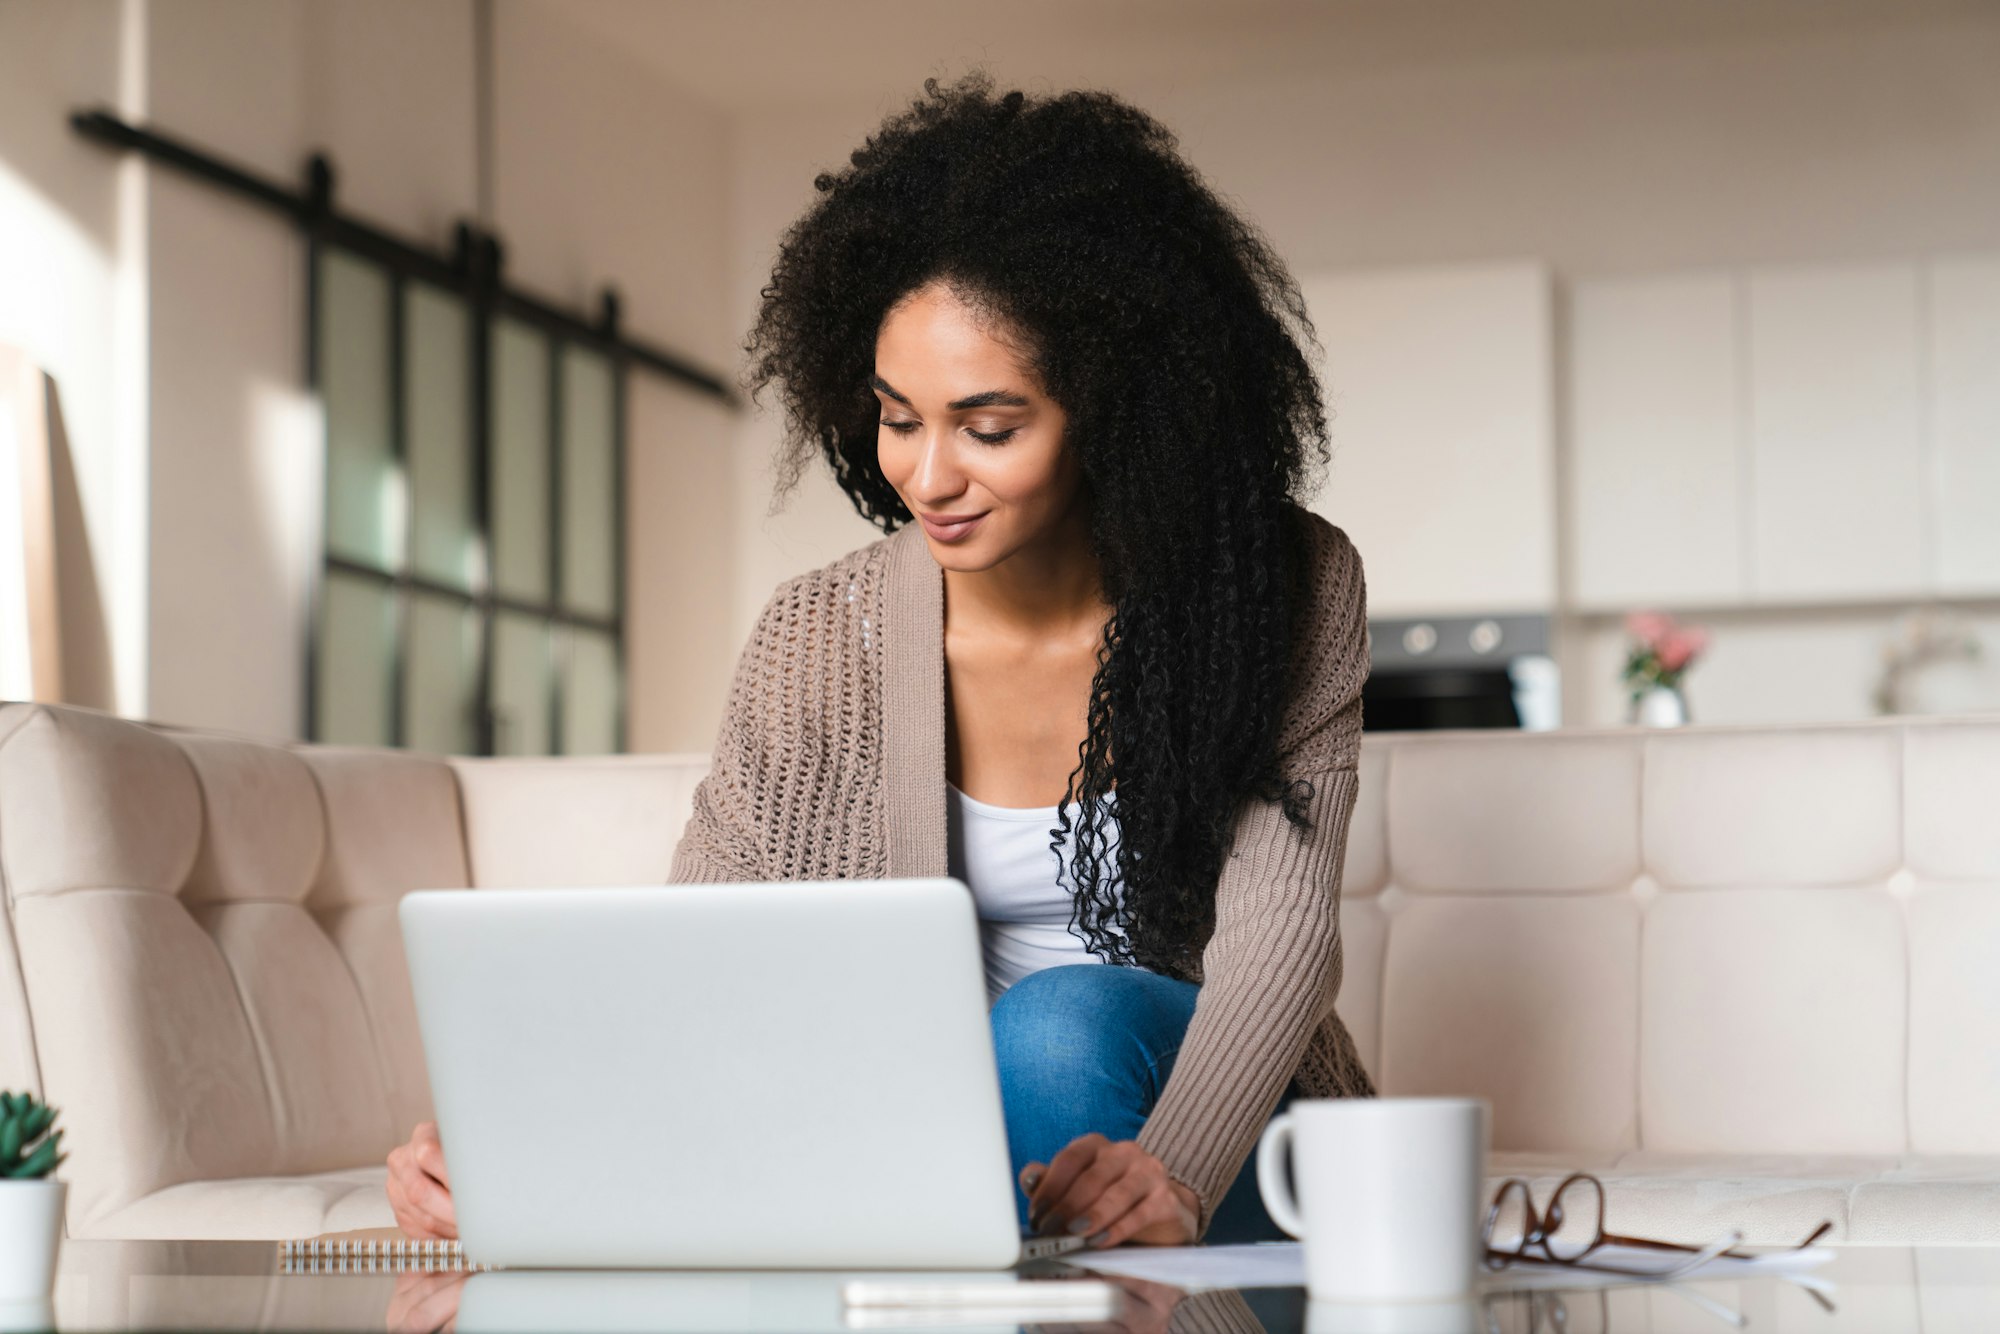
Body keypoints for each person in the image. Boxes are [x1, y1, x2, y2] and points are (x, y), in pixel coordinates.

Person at [387, 69, 1375, 1251]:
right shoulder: (819, 635)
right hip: (919, 1137)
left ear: (1116, 410)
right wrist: (522, 1140)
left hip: (1219, 1139)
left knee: (1055, 1025)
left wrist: (1168, 1171)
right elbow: (701, 945)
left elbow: (1280, 939)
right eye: (898, 418)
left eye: (988, 427)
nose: (926, 475)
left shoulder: (1276, 587)